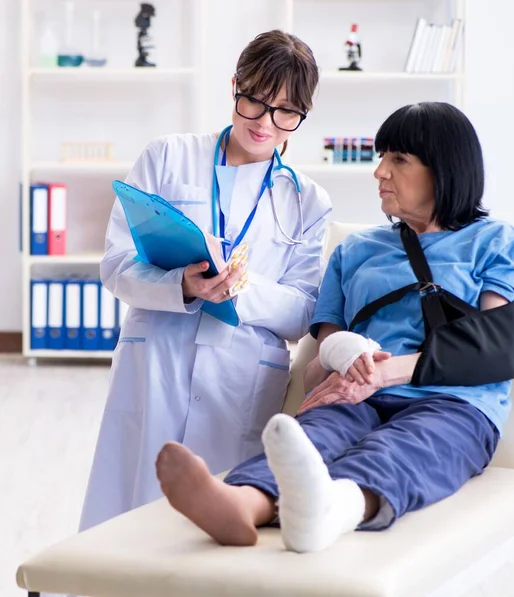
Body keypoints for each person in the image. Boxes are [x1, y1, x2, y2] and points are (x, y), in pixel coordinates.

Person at [154, 102, 514, 553]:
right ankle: (241, 504)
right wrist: (343, 362)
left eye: (398, 159)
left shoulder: (497, 242)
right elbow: (324, 350)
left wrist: (385, 371)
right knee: (311, 439)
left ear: (444, 169)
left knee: (404, 450)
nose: (379, 171)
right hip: (356, 393)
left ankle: (334, 510)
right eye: (381, 157)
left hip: (453, 403)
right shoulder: (356, 250)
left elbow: (493, 346)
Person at [79, 30, 332, 532]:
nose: (265, 123)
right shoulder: (168, 157)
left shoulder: (308, 200)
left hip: (237, 379)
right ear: (235, 85)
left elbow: (304, 310)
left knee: (209, 534)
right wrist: (184, 286)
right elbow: (116, 264)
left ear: (303, 113)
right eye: (254, 102)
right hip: (156, 361)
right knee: (129, 520)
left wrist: (242, 287)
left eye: (285, 112)